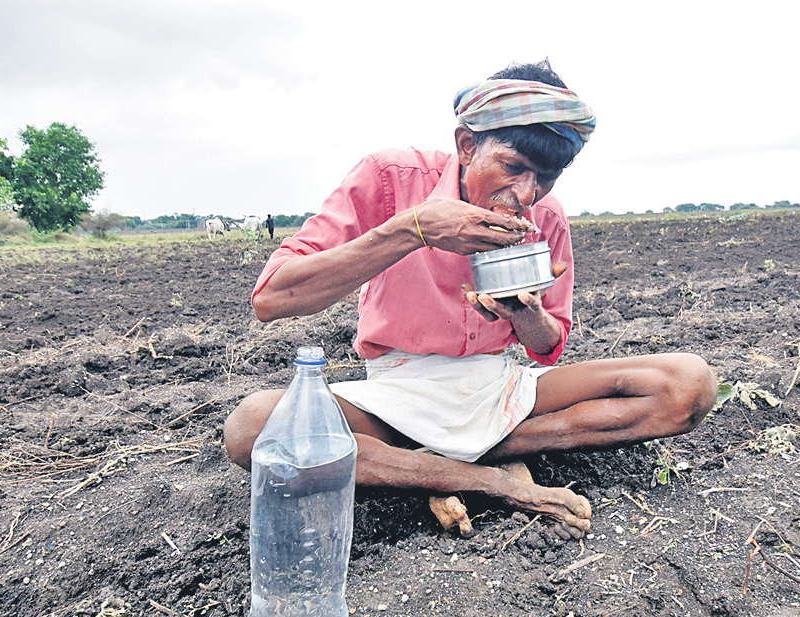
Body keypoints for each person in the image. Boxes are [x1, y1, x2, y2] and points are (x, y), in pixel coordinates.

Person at [224, 60, 715, 541]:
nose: (526, 193)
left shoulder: (547, 217)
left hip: (499, 386)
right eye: (513, 167)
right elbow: (273, 297)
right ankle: (487, 477)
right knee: (255, 426)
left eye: (546, 178)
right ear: (466, 145)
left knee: (685, 386)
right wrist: (413, 229)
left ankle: (428, 462)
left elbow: (548, 348)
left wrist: (526, 313)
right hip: (395, 391)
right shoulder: (390, 178)